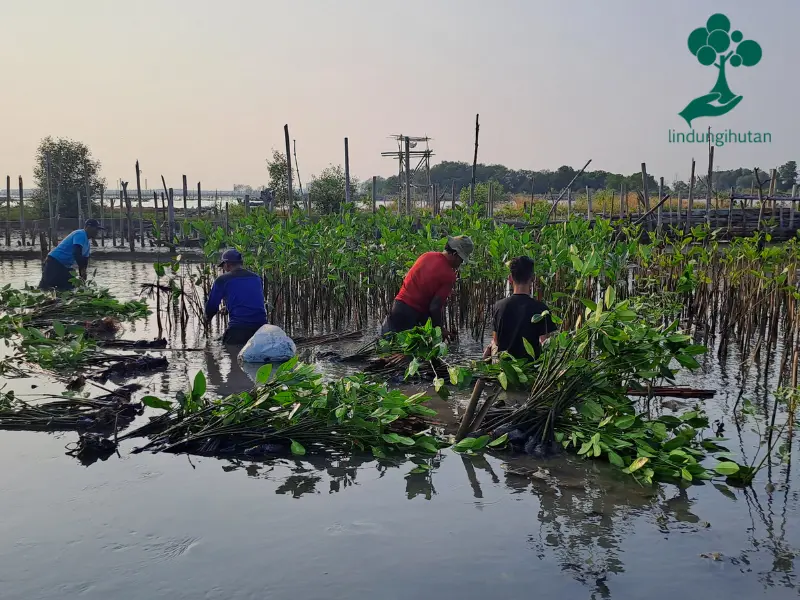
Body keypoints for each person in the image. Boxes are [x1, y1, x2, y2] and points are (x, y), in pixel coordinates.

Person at [380, 235, 473, 339]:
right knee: (410, 352)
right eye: (461, 260)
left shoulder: (426, 256)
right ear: (455, 254)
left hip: (398, 307)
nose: (461, 263)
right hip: (412, 315)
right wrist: (439, 329)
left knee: (392, 349)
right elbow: (434, 307)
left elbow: (417, 283)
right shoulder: (449, 275)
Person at [483, 256, 556, 360]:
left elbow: (496, 341)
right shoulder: (541, 309)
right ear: (532, 278)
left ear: (510, 279)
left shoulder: (498, 306)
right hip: (531, 366)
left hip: (505, 367)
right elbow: (545, 344)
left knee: (491, 345)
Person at [205, 249, 269, 344]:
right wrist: (228, 307)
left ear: (227, 264)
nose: (223, 269)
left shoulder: (222, 280)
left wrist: (206, 320)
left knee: (230, 352)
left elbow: (212, 307)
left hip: (238, 329)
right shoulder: (256, 278)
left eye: (223, 266)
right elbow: (251, 299)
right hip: (261, 328)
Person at [39, 219, 103, 291]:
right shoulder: (80, 233)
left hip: (65, 266)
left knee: (69, 287)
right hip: (54, 262)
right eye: (96, 229)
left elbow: (84, 261)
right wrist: (82, 269)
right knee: (46, 287)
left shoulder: (87, 245)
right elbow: (76, 253)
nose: (97, 231)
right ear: (88, 227)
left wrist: (83, 276)